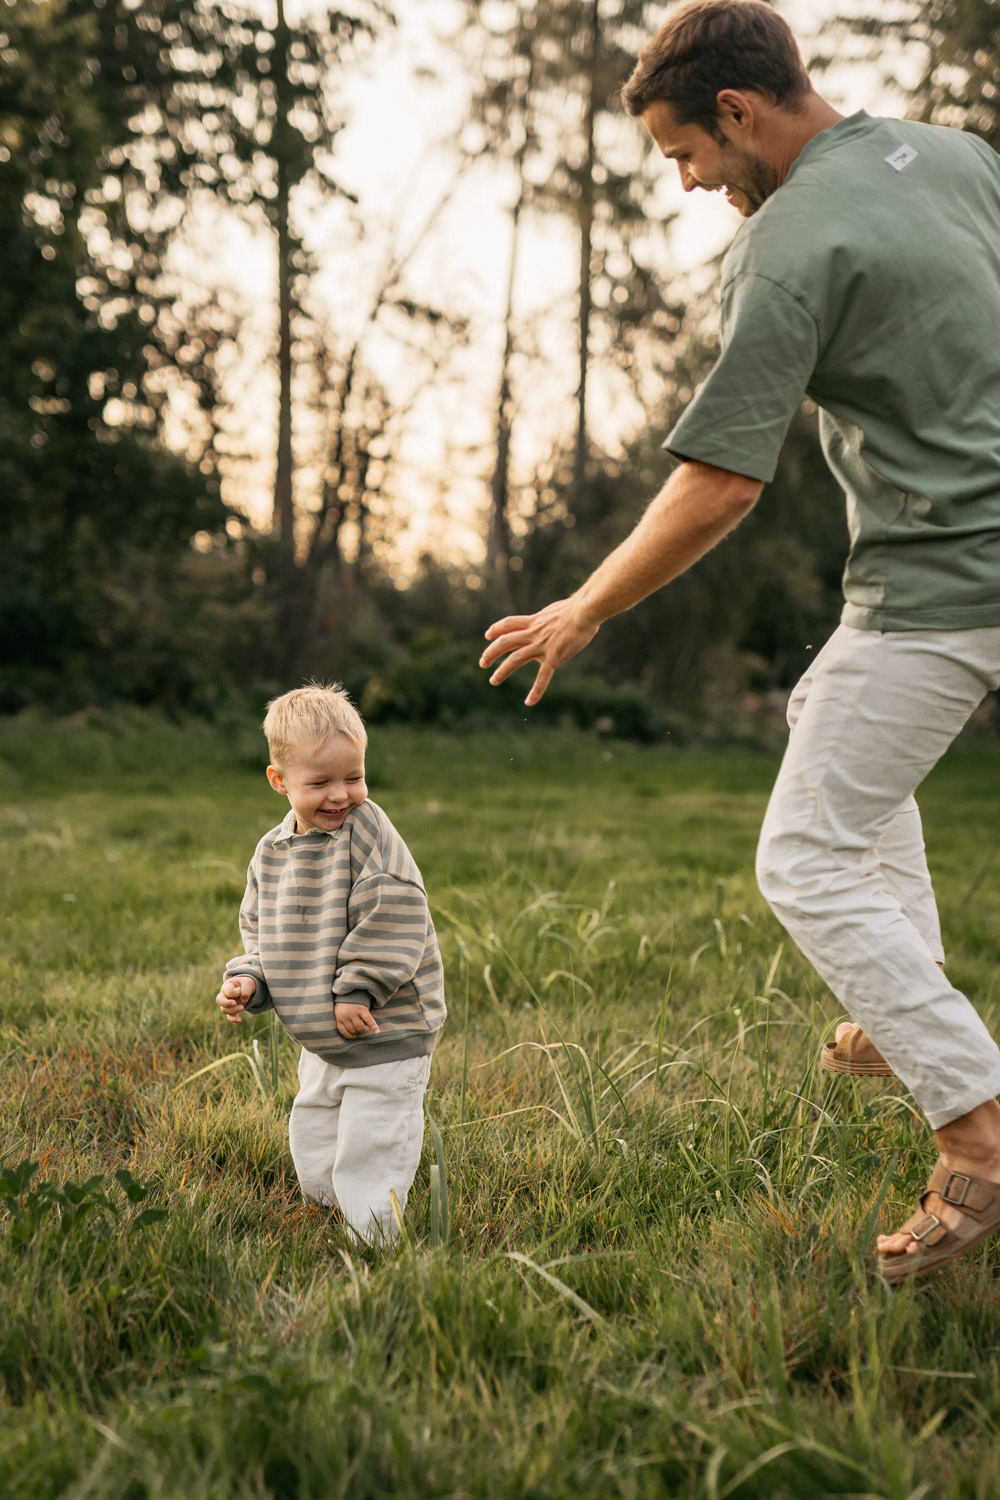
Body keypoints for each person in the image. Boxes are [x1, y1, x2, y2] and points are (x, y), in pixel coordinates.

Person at [478, 0, 1000, 1282]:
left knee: (804, 858)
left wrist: (582, 607)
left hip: (947, 576)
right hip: (955, 565)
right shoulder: (955, 155)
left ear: (736, 111)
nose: (691, 182)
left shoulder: (785, 244)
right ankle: (903, 997)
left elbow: (720, 479)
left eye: (684, 154)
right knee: (823, 710)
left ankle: (979, 1136)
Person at [215, 683, 446, 1243]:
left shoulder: (369, 834)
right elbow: (261, 928)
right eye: (320, 783)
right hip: (320, 1031)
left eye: (355, 777)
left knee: (373, 1135)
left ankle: (375, 1238)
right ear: (279, 781)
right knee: (315, 1123)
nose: (341, 795)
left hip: (384, 1024)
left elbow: (392, 913)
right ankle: (325, 1212)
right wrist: (250, 977)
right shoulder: (271, 853)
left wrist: (358, 990)